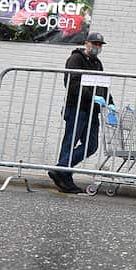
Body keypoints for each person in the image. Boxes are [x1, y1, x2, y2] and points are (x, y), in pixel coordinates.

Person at [49, 32, 106, 193]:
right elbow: (72, 85)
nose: (97, 47)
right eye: (94, 43)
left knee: (91, 145)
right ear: (86, 43)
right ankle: (65, 178)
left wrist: (109, 103)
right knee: (70, 143)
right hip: (77, 108)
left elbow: (102, 86)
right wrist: (93, 97)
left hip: (92, 110)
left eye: (100, 45)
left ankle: (60, 169)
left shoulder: (97, 63)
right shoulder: (76, 59)